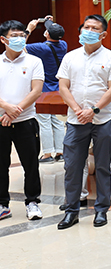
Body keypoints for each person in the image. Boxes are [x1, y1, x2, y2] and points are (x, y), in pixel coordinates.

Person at [56, 15, 111, 230]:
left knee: (103, 164)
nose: (89, 31)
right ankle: (71, 211)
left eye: (95, 28)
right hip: (76, 120)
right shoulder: (70, 57)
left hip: (102, 119)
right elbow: (63, 87)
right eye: (86, 27)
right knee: (72, 166)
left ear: (103, 34)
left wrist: (93, 110)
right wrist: (78, 110)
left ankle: (101, 209)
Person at [0, 20, 44, 221]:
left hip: (26, 121)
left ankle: (32, 202)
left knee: (31, 164)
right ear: (3, 40)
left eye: (21, 35)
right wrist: (6, 108)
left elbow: (36, 91)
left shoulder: (34, 61)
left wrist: (13, 112)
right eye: (14, 36)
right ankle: (3, 204)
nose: (19, 39)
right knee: (1, 165)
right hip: (1, 121)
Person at [25, 16, 67, 163]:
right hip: (58, 89)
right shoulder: (63, 44)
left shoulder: (42, 48)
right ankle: (61, 152)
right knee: (57, 121)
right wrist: (50, 22)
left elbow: (20, 47)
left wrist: (29, 29)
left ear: (47, 34)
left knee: (44, 122)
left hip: (44, 89)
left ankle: (47, 154)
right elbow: (55, 34)